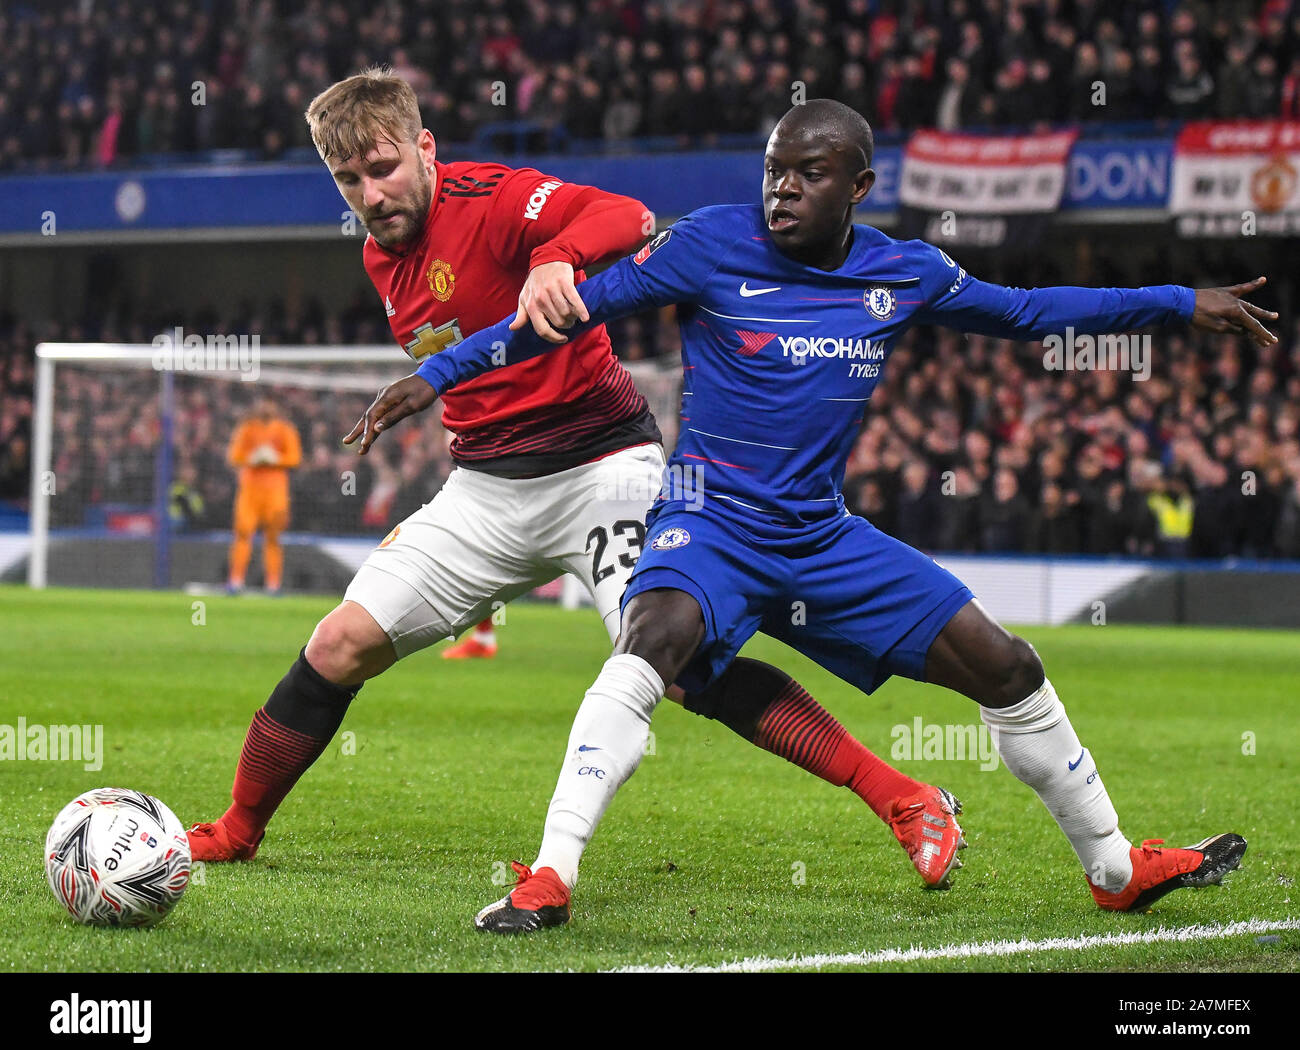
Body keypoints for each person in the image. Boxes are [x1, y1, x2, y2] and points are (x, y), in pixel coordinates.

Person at [353, 99, 1272, 932]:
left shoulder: (905, 271)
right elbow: (557, 315)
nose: (782, 189)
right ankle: (550, 876)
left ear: (860, 187)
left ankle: (1113, 867)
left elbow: (1030, 311)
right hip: (708, 523)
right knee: (649, 642)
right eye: (773, 171)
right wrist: (431, 376)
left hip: (820, 535)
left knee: (1009, 664)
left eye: (809, 174)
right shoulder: (709, 244)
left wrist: (1180, 300)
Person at [188, 73, 966, 893]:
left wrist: (554, 255)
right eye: (349, 181)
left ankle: (904, 794)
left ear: (425, 149)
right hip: (485, 488)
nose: (371, 194)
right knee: (336, 644)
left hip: (604, 468)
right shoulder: (381, 254)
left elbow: (627, 217)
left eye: (383, 168)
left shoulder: (497, 196)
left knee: (680, 662)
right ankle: (239, 828)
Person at [226, 397, 302, 594]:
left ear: (275, 406)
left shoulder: (285, 430)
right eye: (263, 403)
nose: (265, 407)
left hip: (276, 491)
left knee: (274, 537)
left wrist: (275, 459)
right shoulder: (248, 428)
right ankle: (235, 581)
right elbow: (234, 455)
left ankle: (273, 584)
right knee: (242, 534)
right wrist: (252, 458)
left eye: (269, 403)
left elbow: (294, 458)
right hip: (250, 490)